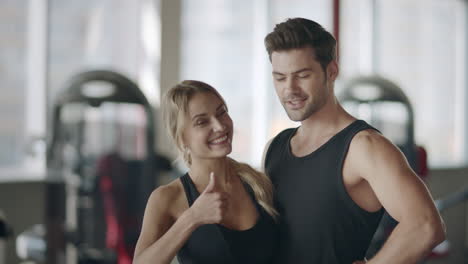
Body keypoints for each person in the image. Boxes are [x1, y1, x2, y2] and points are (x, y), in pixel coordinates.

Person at [262, 17, 445, 264]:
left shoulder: (364, 147)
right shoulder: (274, 148)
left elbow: (425, 226)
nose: (290, 89)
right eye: (280, 78)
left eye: (302, 75)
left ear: (331, 71)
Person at [133, 80, 279, 264]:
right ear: (182, 138)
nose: (220, 126)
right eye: (202, 122)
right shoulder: (167, 198)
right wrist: (192, 218)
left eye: (221, 112)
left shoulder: (258, 182)